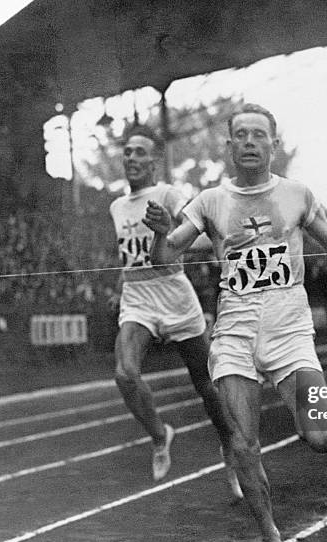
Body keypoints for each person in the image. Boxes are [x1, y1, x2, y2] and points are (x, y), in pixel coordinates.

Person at [143, 104, 327, 542]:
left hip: (289, 328)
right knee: (243, 443)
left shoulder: (297, 194)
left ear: (273, 144)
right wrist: (161, 235)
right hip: (235, 330)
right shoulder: (210, 201)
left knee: (323, 438)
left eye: (258, 135)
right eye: (240, 134)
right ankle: (270, 538)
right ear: (229, 144)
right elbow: (166, 258)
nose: (249, 142)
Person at [109, 125, 241, 495]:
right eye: (127, 151)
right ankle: (159, 435)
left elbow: (196, 236)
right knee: (124, 374)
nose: (131, 158)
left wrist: (166, 232)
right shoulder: (116, 206)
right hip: (137, 296)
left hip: (174, 293)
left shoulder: (168, 193)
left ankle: (230, 449)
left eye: (139, 152)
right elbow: (127, 256)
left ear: (153, 160)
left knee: (207, 385)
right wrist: (119, 287)